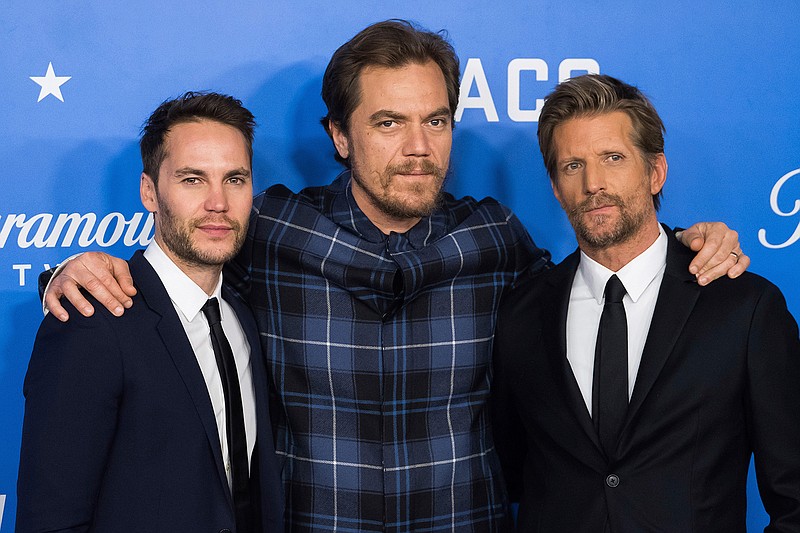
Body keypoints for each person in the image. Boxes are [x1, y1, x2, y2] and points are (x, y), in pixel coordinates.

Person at [42, 22, 748, 532]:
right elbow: (187, 253)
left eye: (435, 121)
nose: (417, 148)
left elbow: (604, 280)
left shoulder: (495, 239)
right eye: (388, 123)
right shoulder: (273, 230)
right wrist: (68, 268)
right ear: (340, 137)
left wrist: (685, 241)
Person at [491, 74, 800, 532]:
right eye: (572, 165)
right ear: (556, 187)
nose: (593, 183)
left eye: (612, 158)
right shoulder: (522, 314)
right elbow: (514, 473)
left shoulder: (744, 308)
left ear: (655, 171)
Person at [17, 92, 284, 532]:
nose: (218, 202)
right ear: (149, 192)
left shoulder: (243, 313)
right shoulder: (93, 320)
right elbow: (49, 519)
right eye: (193, 179)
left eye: (234, 179)